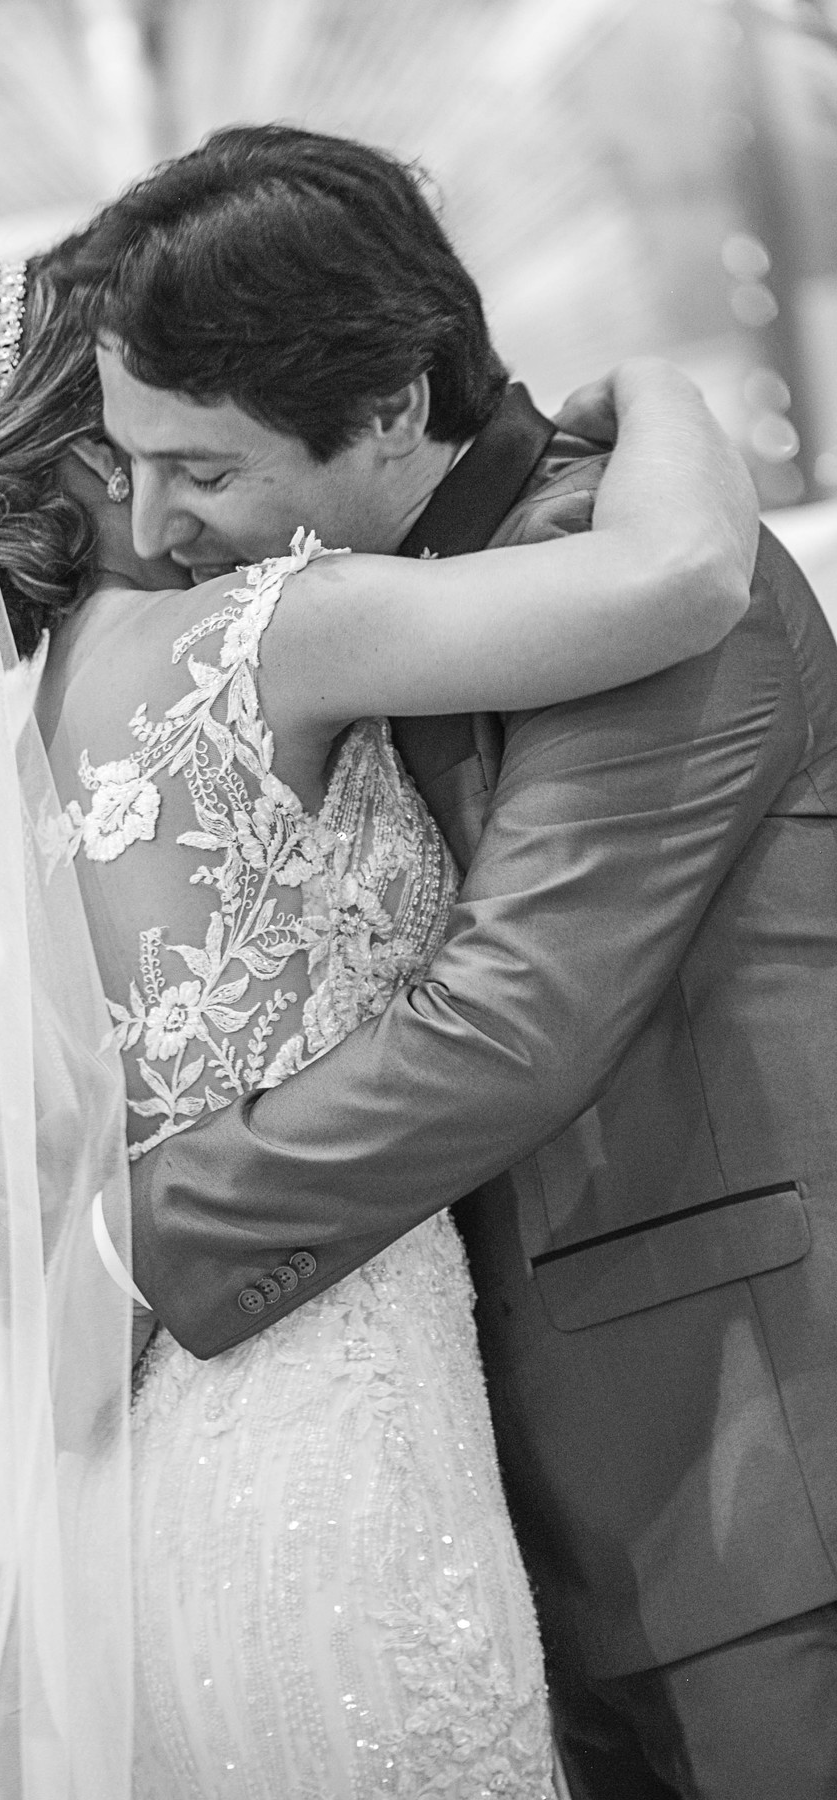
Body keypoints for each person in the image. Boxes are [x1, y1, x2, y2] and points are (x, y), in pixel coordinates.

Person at [0, 240, 753, 1799]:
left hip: (155, 1505)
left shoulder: (7, 754)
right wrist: (663, 393)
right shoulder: (271, 635)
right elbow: (679, 580)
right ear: (97, 437)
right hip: (352, 1454)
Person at [57, 124, 837, 1800]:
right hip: (508, 1487)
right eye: (130, 465)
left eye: (202, 470)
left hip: (760, 1491)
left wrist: (123, 1242)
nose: (159, 524)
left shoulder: (643, 596)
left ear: (396, 404)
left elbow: (513, 1018)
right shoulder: (377, 620)